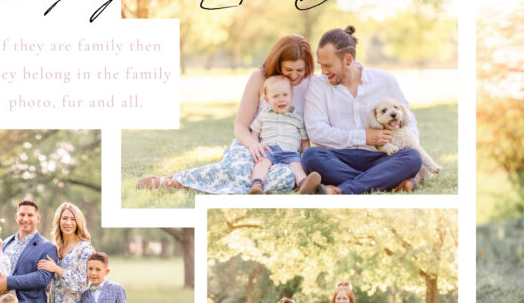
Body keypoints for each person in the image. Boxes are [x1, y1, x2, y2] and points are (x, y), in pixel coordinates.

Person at [137, 35, 315, 194]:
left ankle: (252, 185)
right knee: (238, 170)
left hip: (286, 153)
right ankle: (174, 181)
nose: (294, 76)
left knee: (284, 178)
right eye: (288, 70)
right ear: (277, 63)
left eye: (300, 70)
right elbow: (240, 126)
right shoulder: (259, 78)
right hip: (253, 145)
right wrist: (254, 145)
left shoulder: (311, 84)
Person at [301, 26, 422, 195]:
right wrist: (363, 136)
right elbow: (317, 132)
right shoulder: (318, 85)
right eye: (321, 65)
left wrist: (406, 145)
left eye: (328, 65)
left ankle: (343, 189)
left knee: (412, 157)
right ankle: (389, 183)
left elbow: (409, 120)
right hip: (339, 158)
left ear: (348, 60)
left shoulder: (384, 80)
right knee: (311, 157)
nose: (324, 72)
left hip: (381, 157)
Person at [248, 75, 320, 194]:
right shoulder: (264, 116)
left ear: (291, 96)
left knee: (298, 167)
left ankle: (304, 185)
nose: (281, 99)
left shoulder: (298, 118)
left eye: (285, 95)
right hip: (269, 150)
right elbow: (254, 134)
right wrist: (255, 145)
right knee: (261, 164)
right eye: (275, 96)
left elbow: (304, 141)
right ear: (267, 100)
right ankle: (257, 184)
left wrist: (305, 155)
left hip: (290, 152)